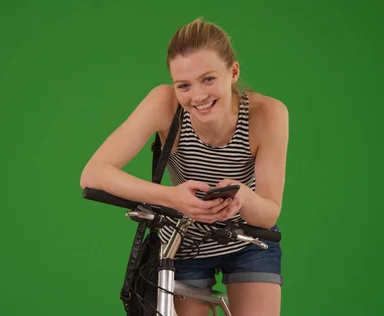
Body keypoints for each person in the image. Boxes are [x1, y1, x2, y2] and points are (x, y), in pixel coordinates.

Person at [80, 17, 289, 316]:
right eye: (184, 85)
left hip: (247, 239)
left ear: (233, 72)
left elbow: (268, 214)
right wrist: (172, 197)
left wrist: (242, 196)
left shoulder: (268, 114)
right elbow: (93, 173)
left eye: (208, 79)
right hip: (184, 241)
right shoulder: (164, 103)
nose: (198, 96)